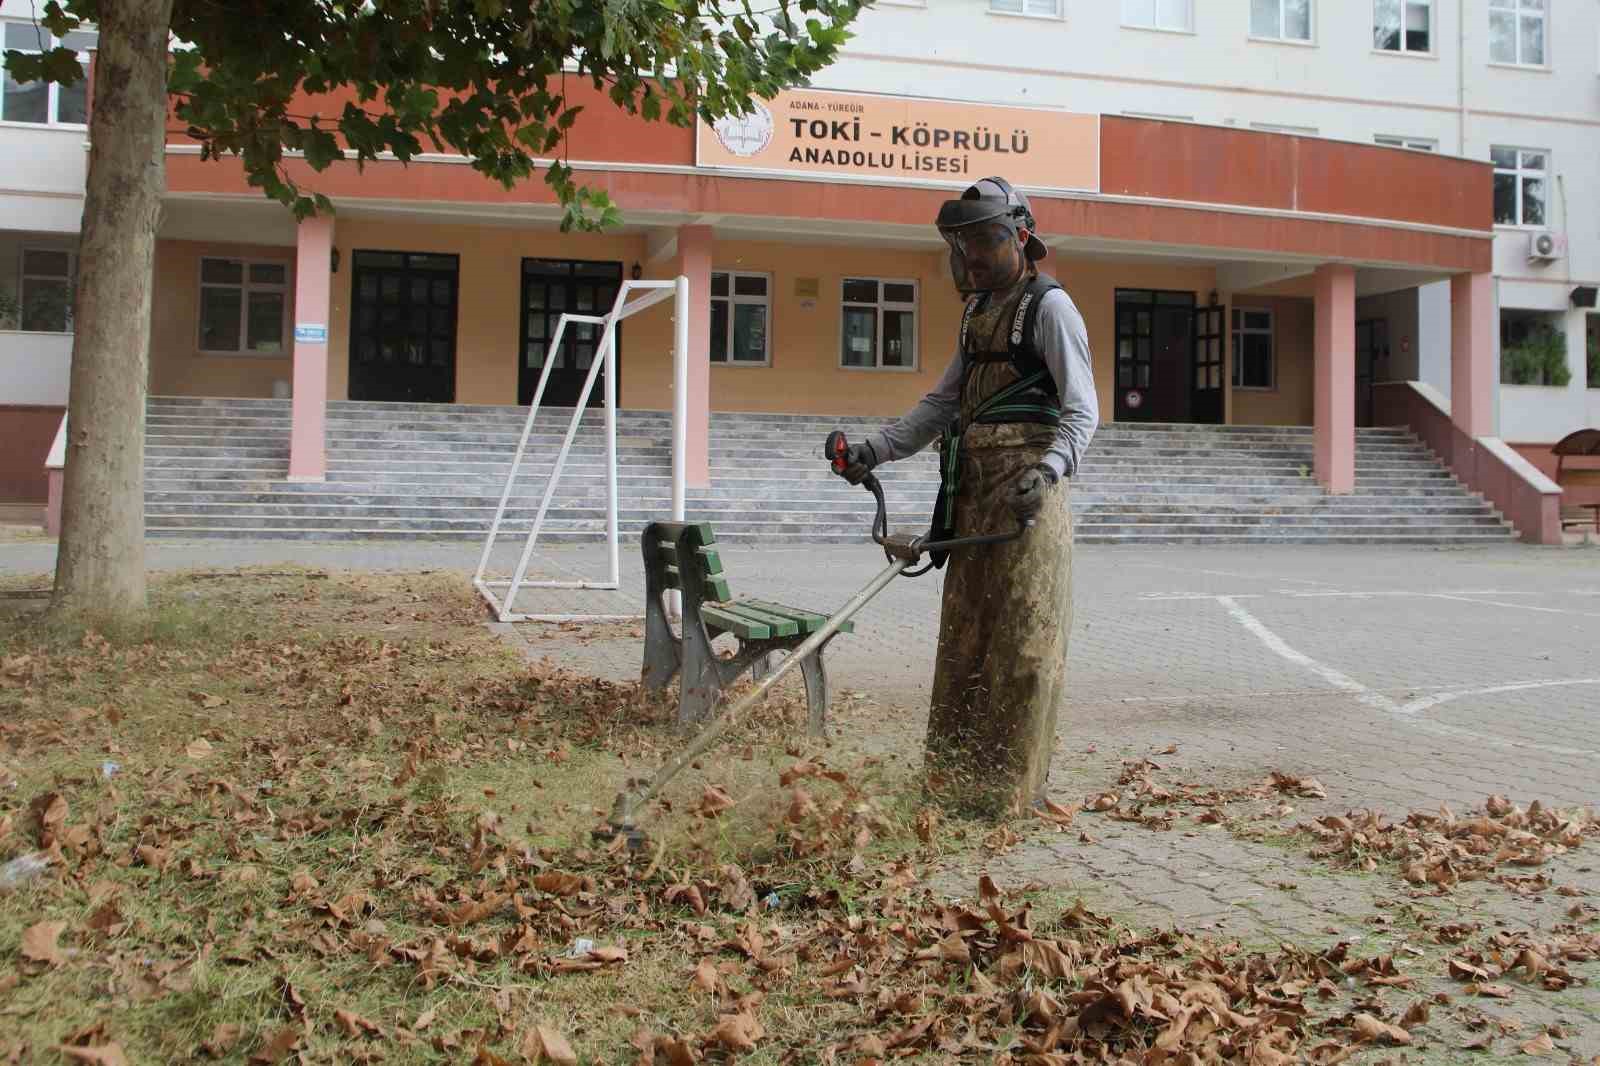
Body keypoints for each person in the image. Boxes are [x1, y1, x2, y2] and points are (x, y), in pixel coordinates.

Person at [834, 176, 1098, 817]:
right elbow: (943, 404)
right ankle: (954, 787)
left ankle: (1008, 796)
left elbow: (1082, 410)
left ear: (1021, 236)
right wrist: (878, 449)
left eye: (985, 241)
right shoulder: (976, 311)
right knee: (966, 643)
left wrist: (1049, 470)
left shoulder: (1049, 308)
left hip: (1027, 501)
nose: (973, 258)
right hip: (972, 493)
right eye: (964, 245)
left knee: (1022, 650)